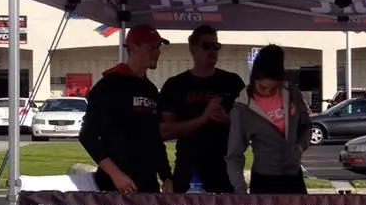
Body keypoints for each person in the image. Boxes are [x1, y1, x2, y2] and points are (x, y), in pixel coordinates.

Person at [79, 25, 174, 194]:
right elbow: (88, 136)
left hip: (147, 183)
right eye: (152, 48)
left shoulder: (150, 89)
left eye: (158, 47)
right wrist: (116, 175)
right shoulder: (109, 85)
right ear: (133, 47)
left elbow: (155, 138)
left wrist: (166, 176)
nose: (158, 52)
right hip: (115, 185)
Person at [159, 25, 245, 193]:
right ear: (192, 49)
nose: (212, 51)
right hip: (188, 171)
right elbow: (164, 131)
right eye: (206, 46)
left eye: (216, 46)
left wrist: (227, 119)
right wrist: (202, 119)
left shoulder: (232, 82)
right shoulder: (175, 85)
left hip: (225, 170)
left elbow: (248, 126)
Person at [226, 45, 312, 195]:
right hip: (264, 179)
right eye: (262, 87)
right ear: (253, 79)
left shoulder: (292, 93)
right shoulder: (242, 108)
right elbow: (234, 155)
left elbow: (306, 126)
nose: (267, 92)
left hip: (294, 176)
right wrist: (240, 190)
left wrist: (299, 147)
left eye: (273, 88)